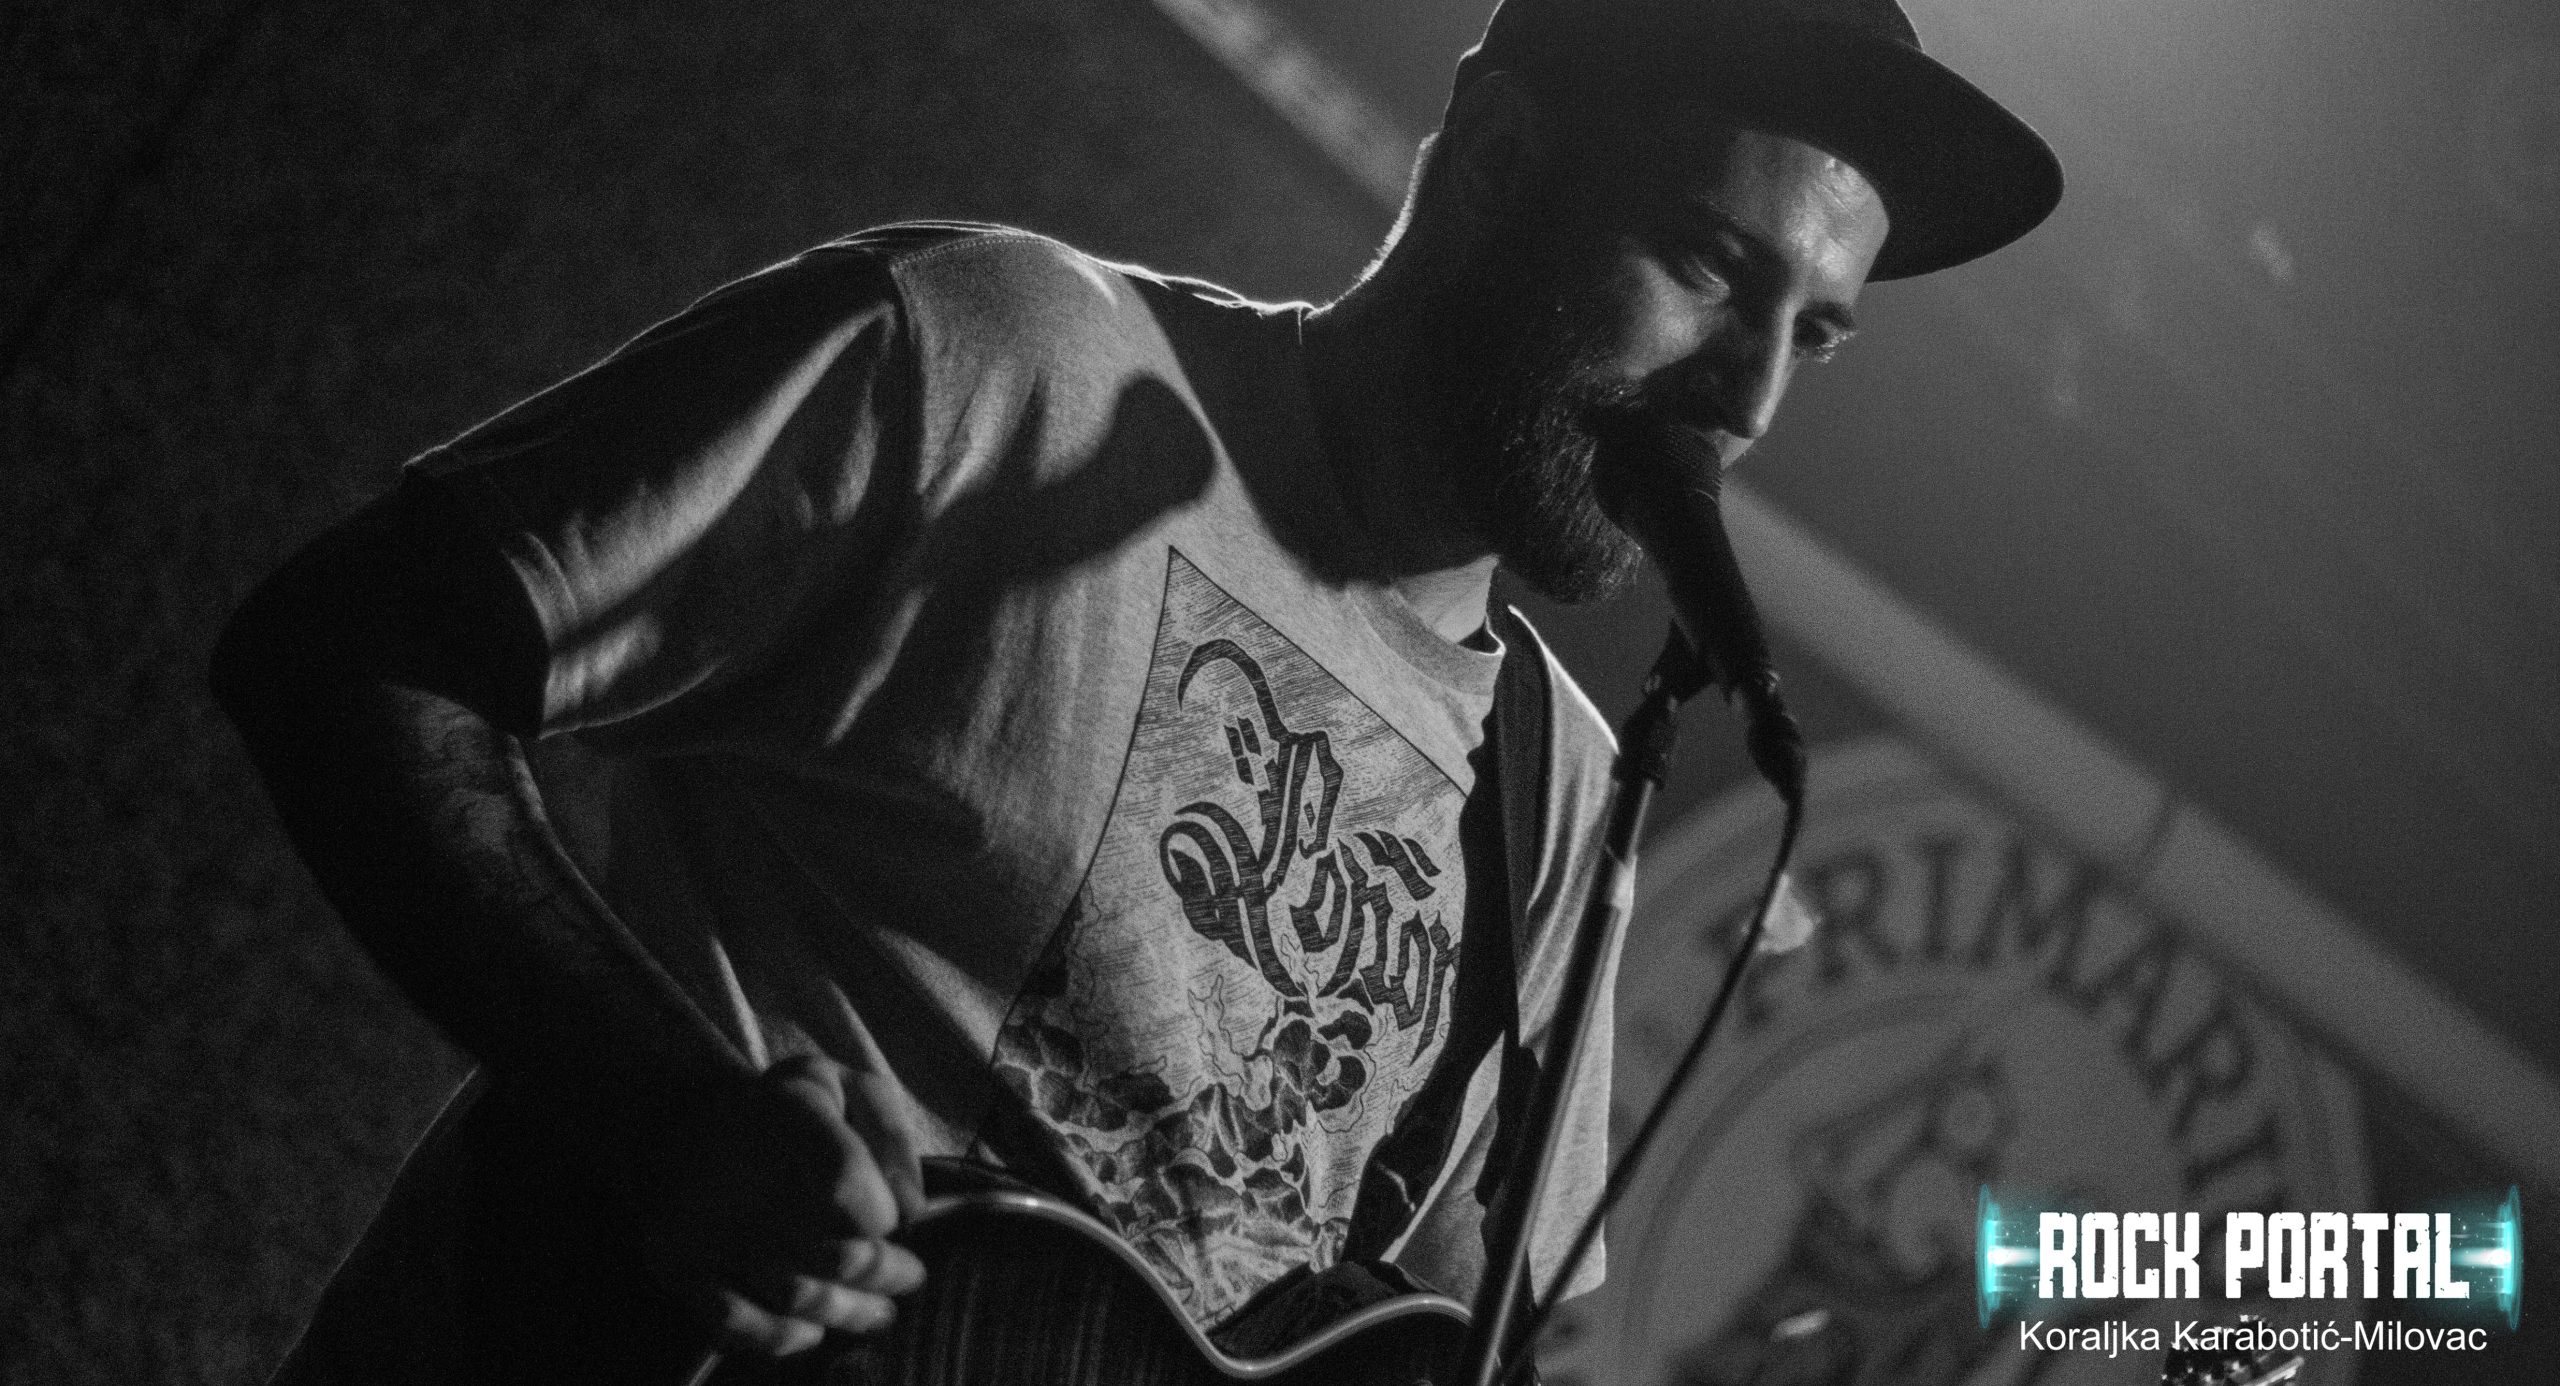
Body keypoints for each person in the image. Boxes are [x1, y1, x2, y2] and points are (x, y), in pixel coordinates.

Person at [212, 0, 2059, 1380]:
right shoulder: (1005, 357)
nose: (1747, 398)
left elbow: (1461, 1329)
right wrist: (664, 1113)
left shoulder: (1562, 800)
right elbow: (355, 642)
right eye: (1713, 266)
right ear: (1500, 159)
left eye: (1812, 337)